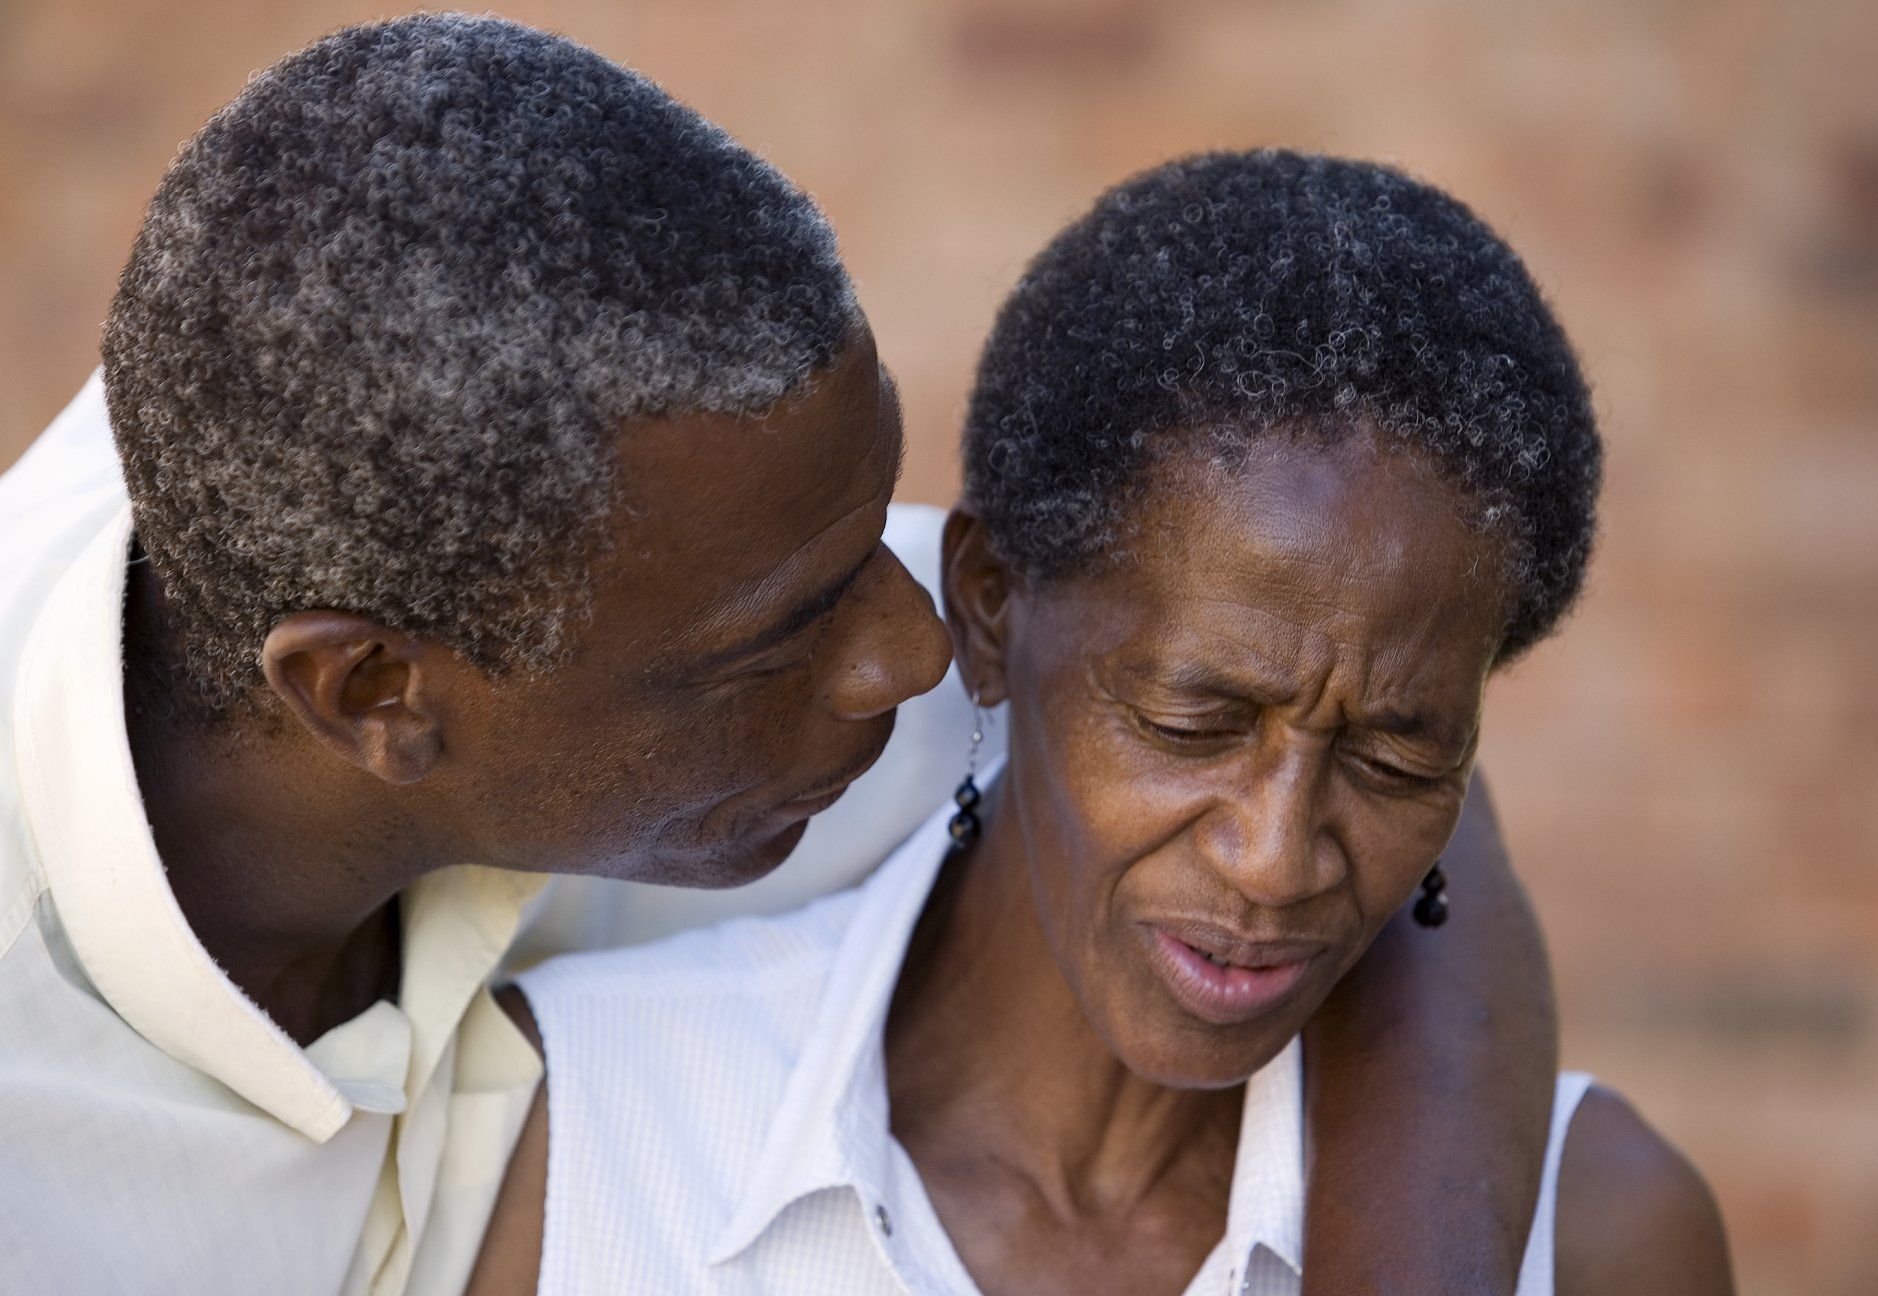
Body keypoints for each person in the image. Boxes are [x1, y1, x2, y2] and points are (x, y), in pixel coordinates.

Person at [0, 17, 1554, 1296]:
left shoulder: (492, 480)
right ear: (375, 696)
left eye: (874, 540)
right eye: (784, 635)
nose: (910, 650)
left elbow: (1351, 705)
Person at [471, 151, 1735, 1296]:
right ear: (987, 613)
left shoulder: (1599, 1235)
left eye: (1397, 755)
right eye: (1195, 720)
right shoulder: (583, 1124)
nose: (1278, 858)